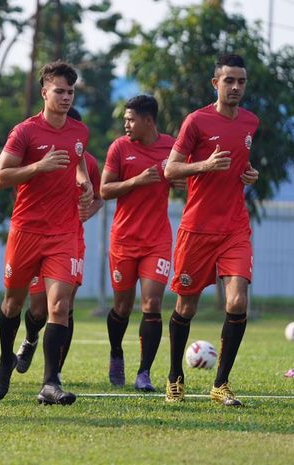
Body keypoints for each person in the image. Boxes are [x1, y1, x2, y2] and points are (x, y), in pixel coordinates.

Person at [0, 61, 93, 405]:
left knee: (60, 307)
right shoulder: (25, 132)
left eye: (70, 92)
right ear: (45, 91)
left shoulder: (79, 132)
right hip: (26, 230)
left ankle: (50, 382)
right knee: (13, 303)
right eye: (59, 91)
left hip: (63, 232)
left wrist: (85, 182)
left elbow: (78, 164)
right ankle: (6, 359)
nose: (65, 97)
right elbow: (1, 177)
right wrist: (38, 166)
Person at [163, 53, 259, 406]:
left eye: (241, 81)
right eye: (229, 81)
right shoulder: (196, 122)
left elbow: (240, 167)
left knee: (237, 301)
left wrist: (250, 175)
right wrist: (204, 164)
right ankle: (175, 375)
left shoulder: (251, 122)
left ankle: (220, 384)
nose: (236, 87)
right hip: (197, 228)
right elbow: (170, 171)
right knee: (185, 307)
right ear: (215, 83)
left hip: (235, 226)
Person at [99, 95, 184, 391]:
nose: (125, 124)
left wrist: (182, 182)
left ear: (148, 121)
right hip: (123, 240)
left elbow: (182, 178)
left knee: (152, 304)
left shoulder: (171, 147)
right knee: (122, 306)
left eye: (131, 119)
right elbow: (105, 190)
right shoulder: (119, 148)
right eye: (125, 119)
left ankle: (144, 373)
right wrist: (135, 181)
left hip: (157, 240)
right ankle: (116, 352)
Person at [14, 107, 103, 381]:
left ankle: (55, 374)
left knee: (65, 305)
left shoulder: (89, 162)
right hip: (37, 237)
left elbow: (98, 196)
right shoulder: (40, 153)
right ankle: (30, 339)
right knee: (38, 307)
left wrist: (89, 208)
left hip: (71, 238)